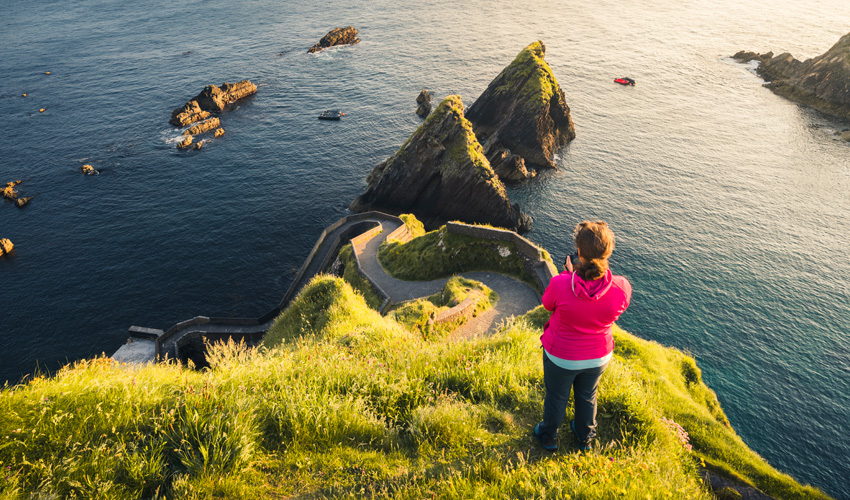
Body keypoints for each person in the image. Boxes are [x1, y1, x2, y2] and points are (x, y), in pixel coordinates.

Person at [533, 221, 632, 451]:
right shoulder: (622, 287)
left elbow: (548, 304)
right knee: (588, 395)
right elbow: (605, 303)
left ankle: (549, 436)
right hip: (598, 356)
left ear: (578, 252)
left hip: (561, 356)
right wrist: (574, 279)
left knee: (557, 397)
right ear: (608, 253)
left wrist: (569, 277)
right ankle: (584, 437)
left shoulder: (560, 283)